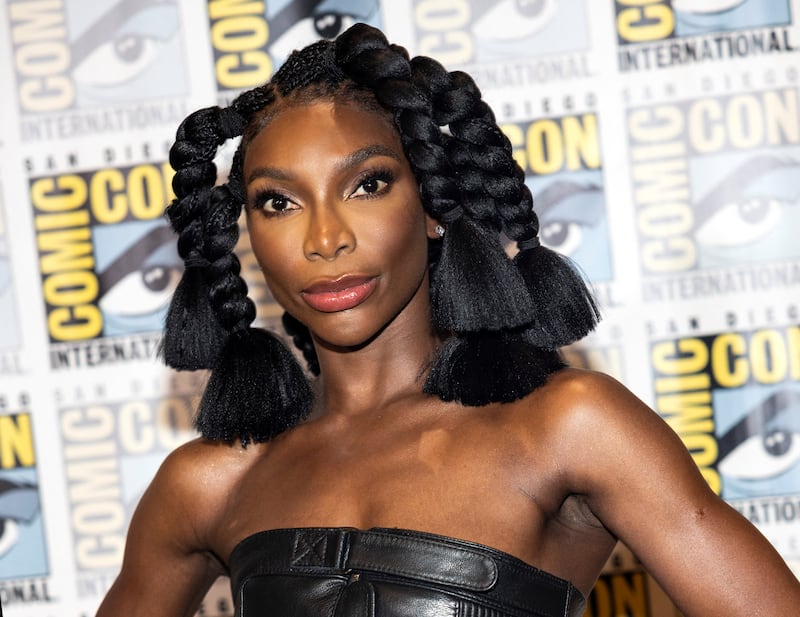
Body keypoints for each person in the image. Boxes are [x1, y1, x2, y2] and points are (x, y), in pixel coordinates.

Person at [97, 23, 800, 617]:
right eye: (278, 201)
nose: (324, 238)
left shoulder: (570, 426)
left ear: (432, 203)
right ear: (247, 229)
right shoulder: (210, 482)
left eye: (367, 184)